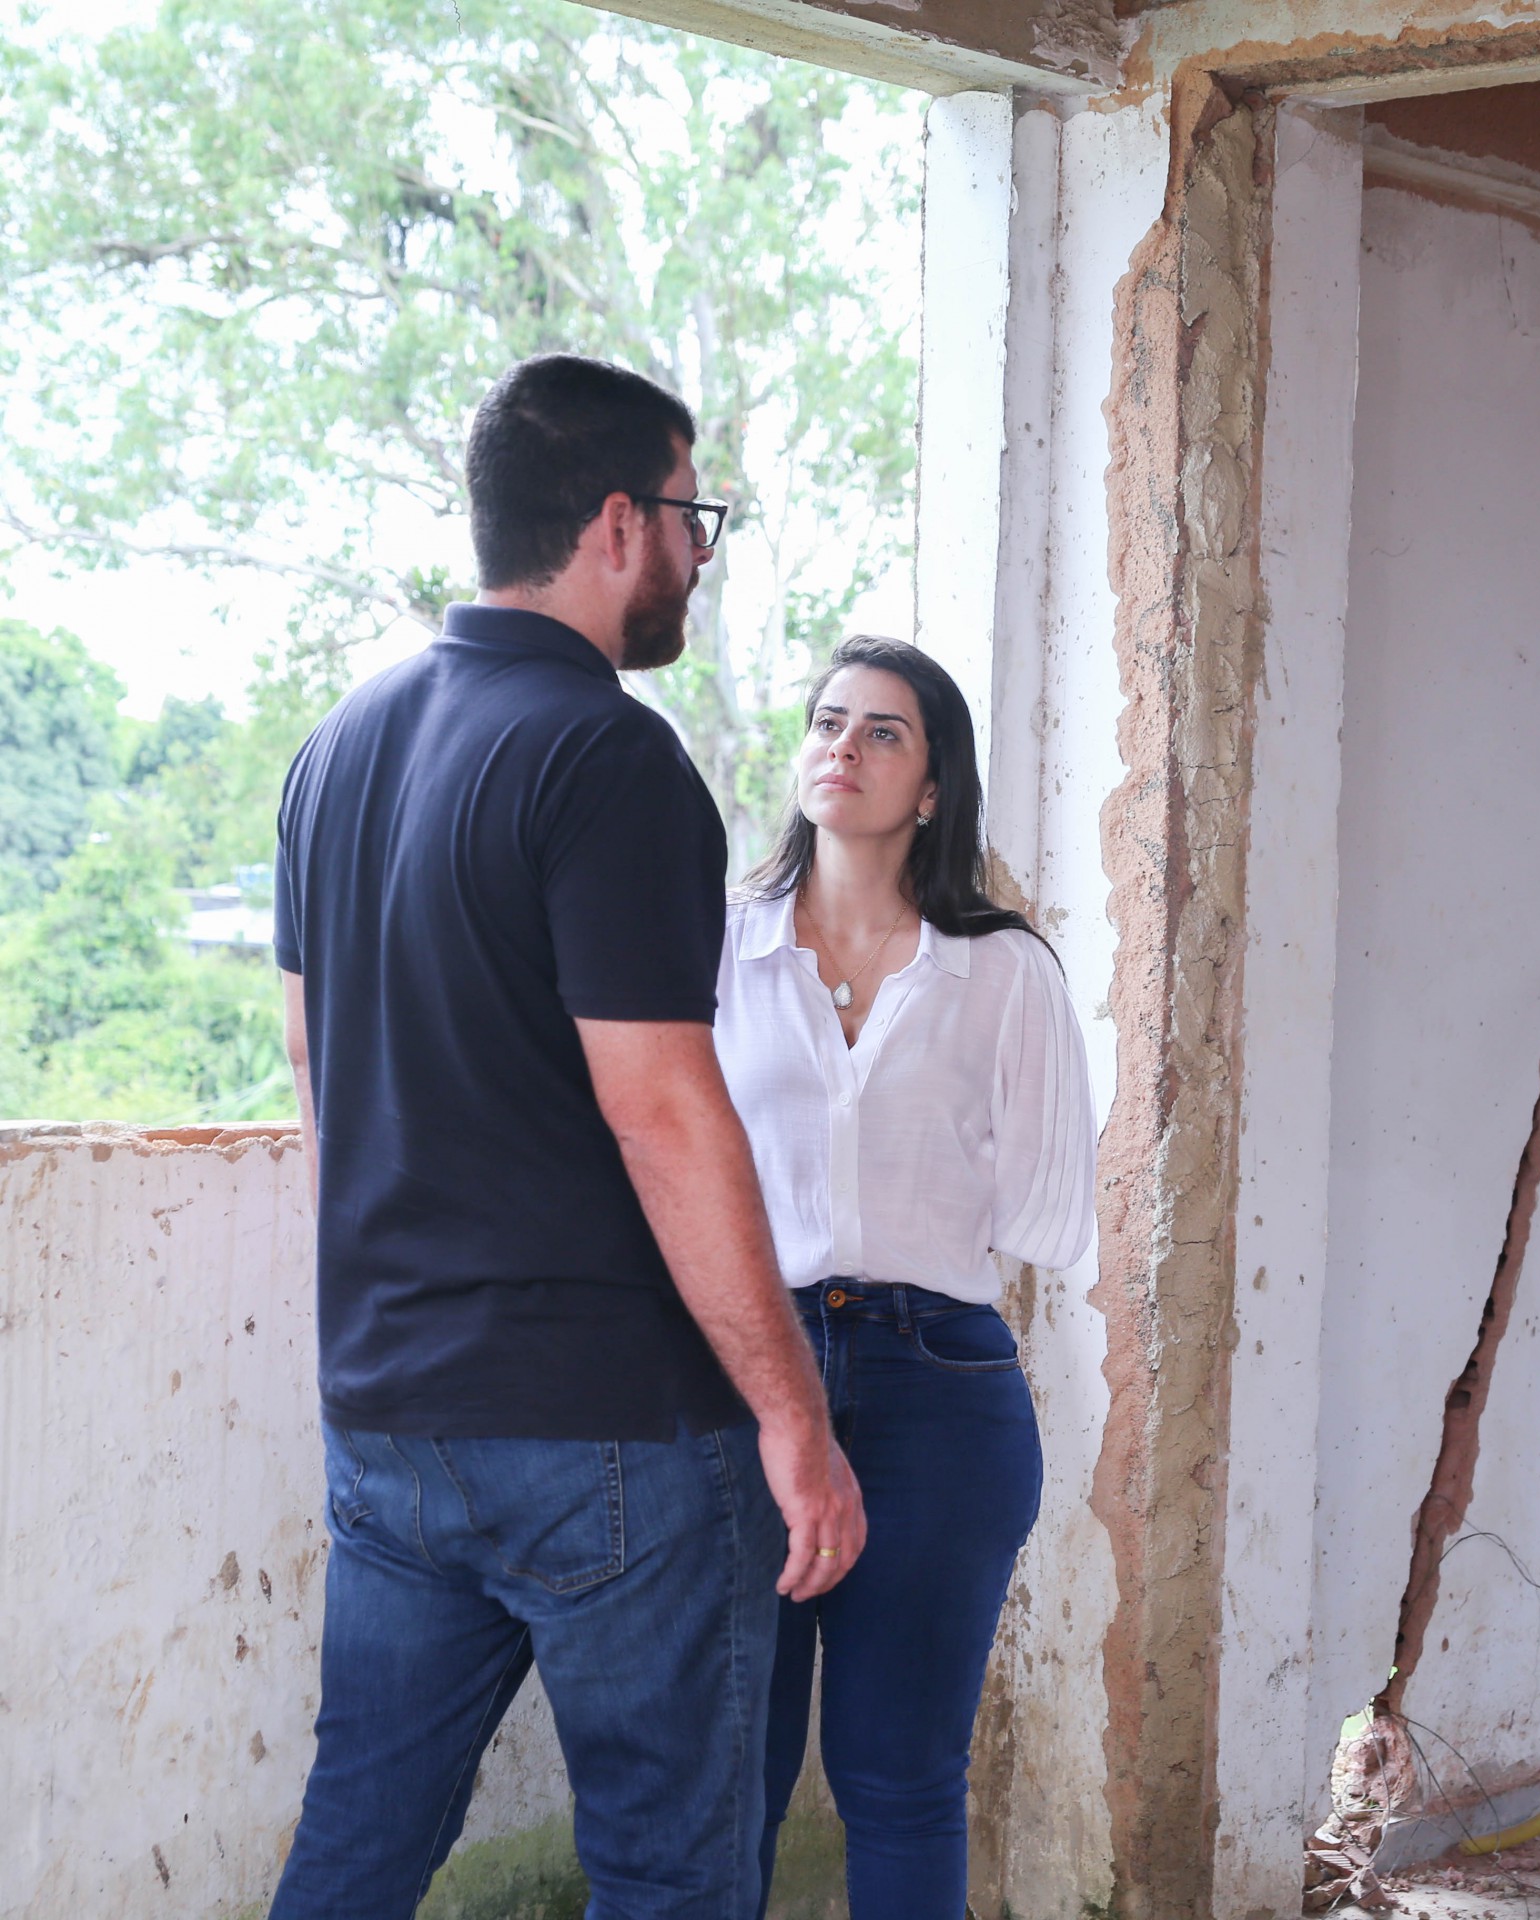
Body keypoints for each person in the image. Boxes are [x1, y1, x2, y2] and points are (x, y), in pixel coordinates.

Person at [269, 353, 865, 1920]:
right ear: (616, 522)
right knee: (671, 1871)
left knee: (355, 1847)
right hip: (610, 1437)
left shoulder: (336, 748)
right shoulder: (605, 757)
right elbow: (665, 1114)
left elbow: (314, 1070)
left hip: (388, 1415)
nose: (696, 553)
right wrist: (793, 1421)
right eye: (690, 515)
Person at [714, 635, 1098, 1920]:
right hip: (743, 1381)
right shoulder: (715, 952)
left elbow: (1039, 1204)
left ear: (932, 787)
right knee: (729, 1779)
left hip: (937, 1384)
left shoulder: (1004, 971)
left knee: (899, 1779)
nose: (842, 747)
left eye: (883, 732)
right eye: (826, 722)